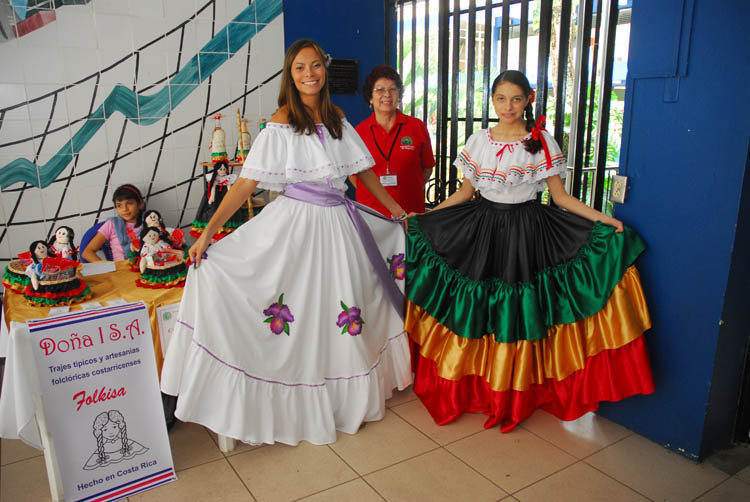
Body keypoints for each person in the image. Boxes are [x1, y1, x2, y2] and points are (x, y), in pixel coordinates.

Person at [160, 39, 413, 446]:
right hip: (296, 225)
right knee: (301, 310)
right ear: (290, 74)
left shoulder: (337, 118)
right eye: (300, 67)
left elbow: (363, 173)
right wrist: (207, 232)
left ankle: (347, 400)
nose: (309, 74)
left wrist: (396, 211)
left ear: (324, 71)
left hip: (341, 225)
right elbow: (247, 181)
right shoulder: (282, 119)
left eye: (315, 65)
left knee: (342, 310)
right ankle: (303, 397)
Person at [405, 70, 654, 433]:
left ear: (528, 100)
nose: (508, 106)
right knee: (482, 309)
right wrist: (426, 217)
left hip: (527, 232)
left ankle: (514, 393)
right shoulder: (478, 140)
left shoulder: (541, 141)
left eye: (516, 99)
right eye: (501, 98)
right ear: (491, 100)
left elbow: (561, 197)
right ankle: (481, 388)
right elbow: (463, 194)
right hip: (481, 229)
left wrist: (606, 220)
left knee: (519, 311)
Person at [352, 65, 435, 216]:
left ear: (399, 95)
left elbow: (427, 167)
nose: (387, 95)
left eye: (392, 89)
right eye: (380, 90)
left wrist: (410, 187)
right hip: (371, 214)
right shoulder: (359, 132)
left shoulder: (416, 127)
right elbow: (353, 175)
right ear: (370, 97)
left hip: (410, 212)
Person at [82, 184, 145, 262]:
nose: (125, 209)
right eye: (119, 205)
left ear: (140, 204)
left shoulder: (151, 222)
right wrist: (108, 268)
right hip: (121, 271)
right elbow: (87, 252)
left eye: (129, 203)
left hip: (147, 271)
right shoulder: (112, 225)